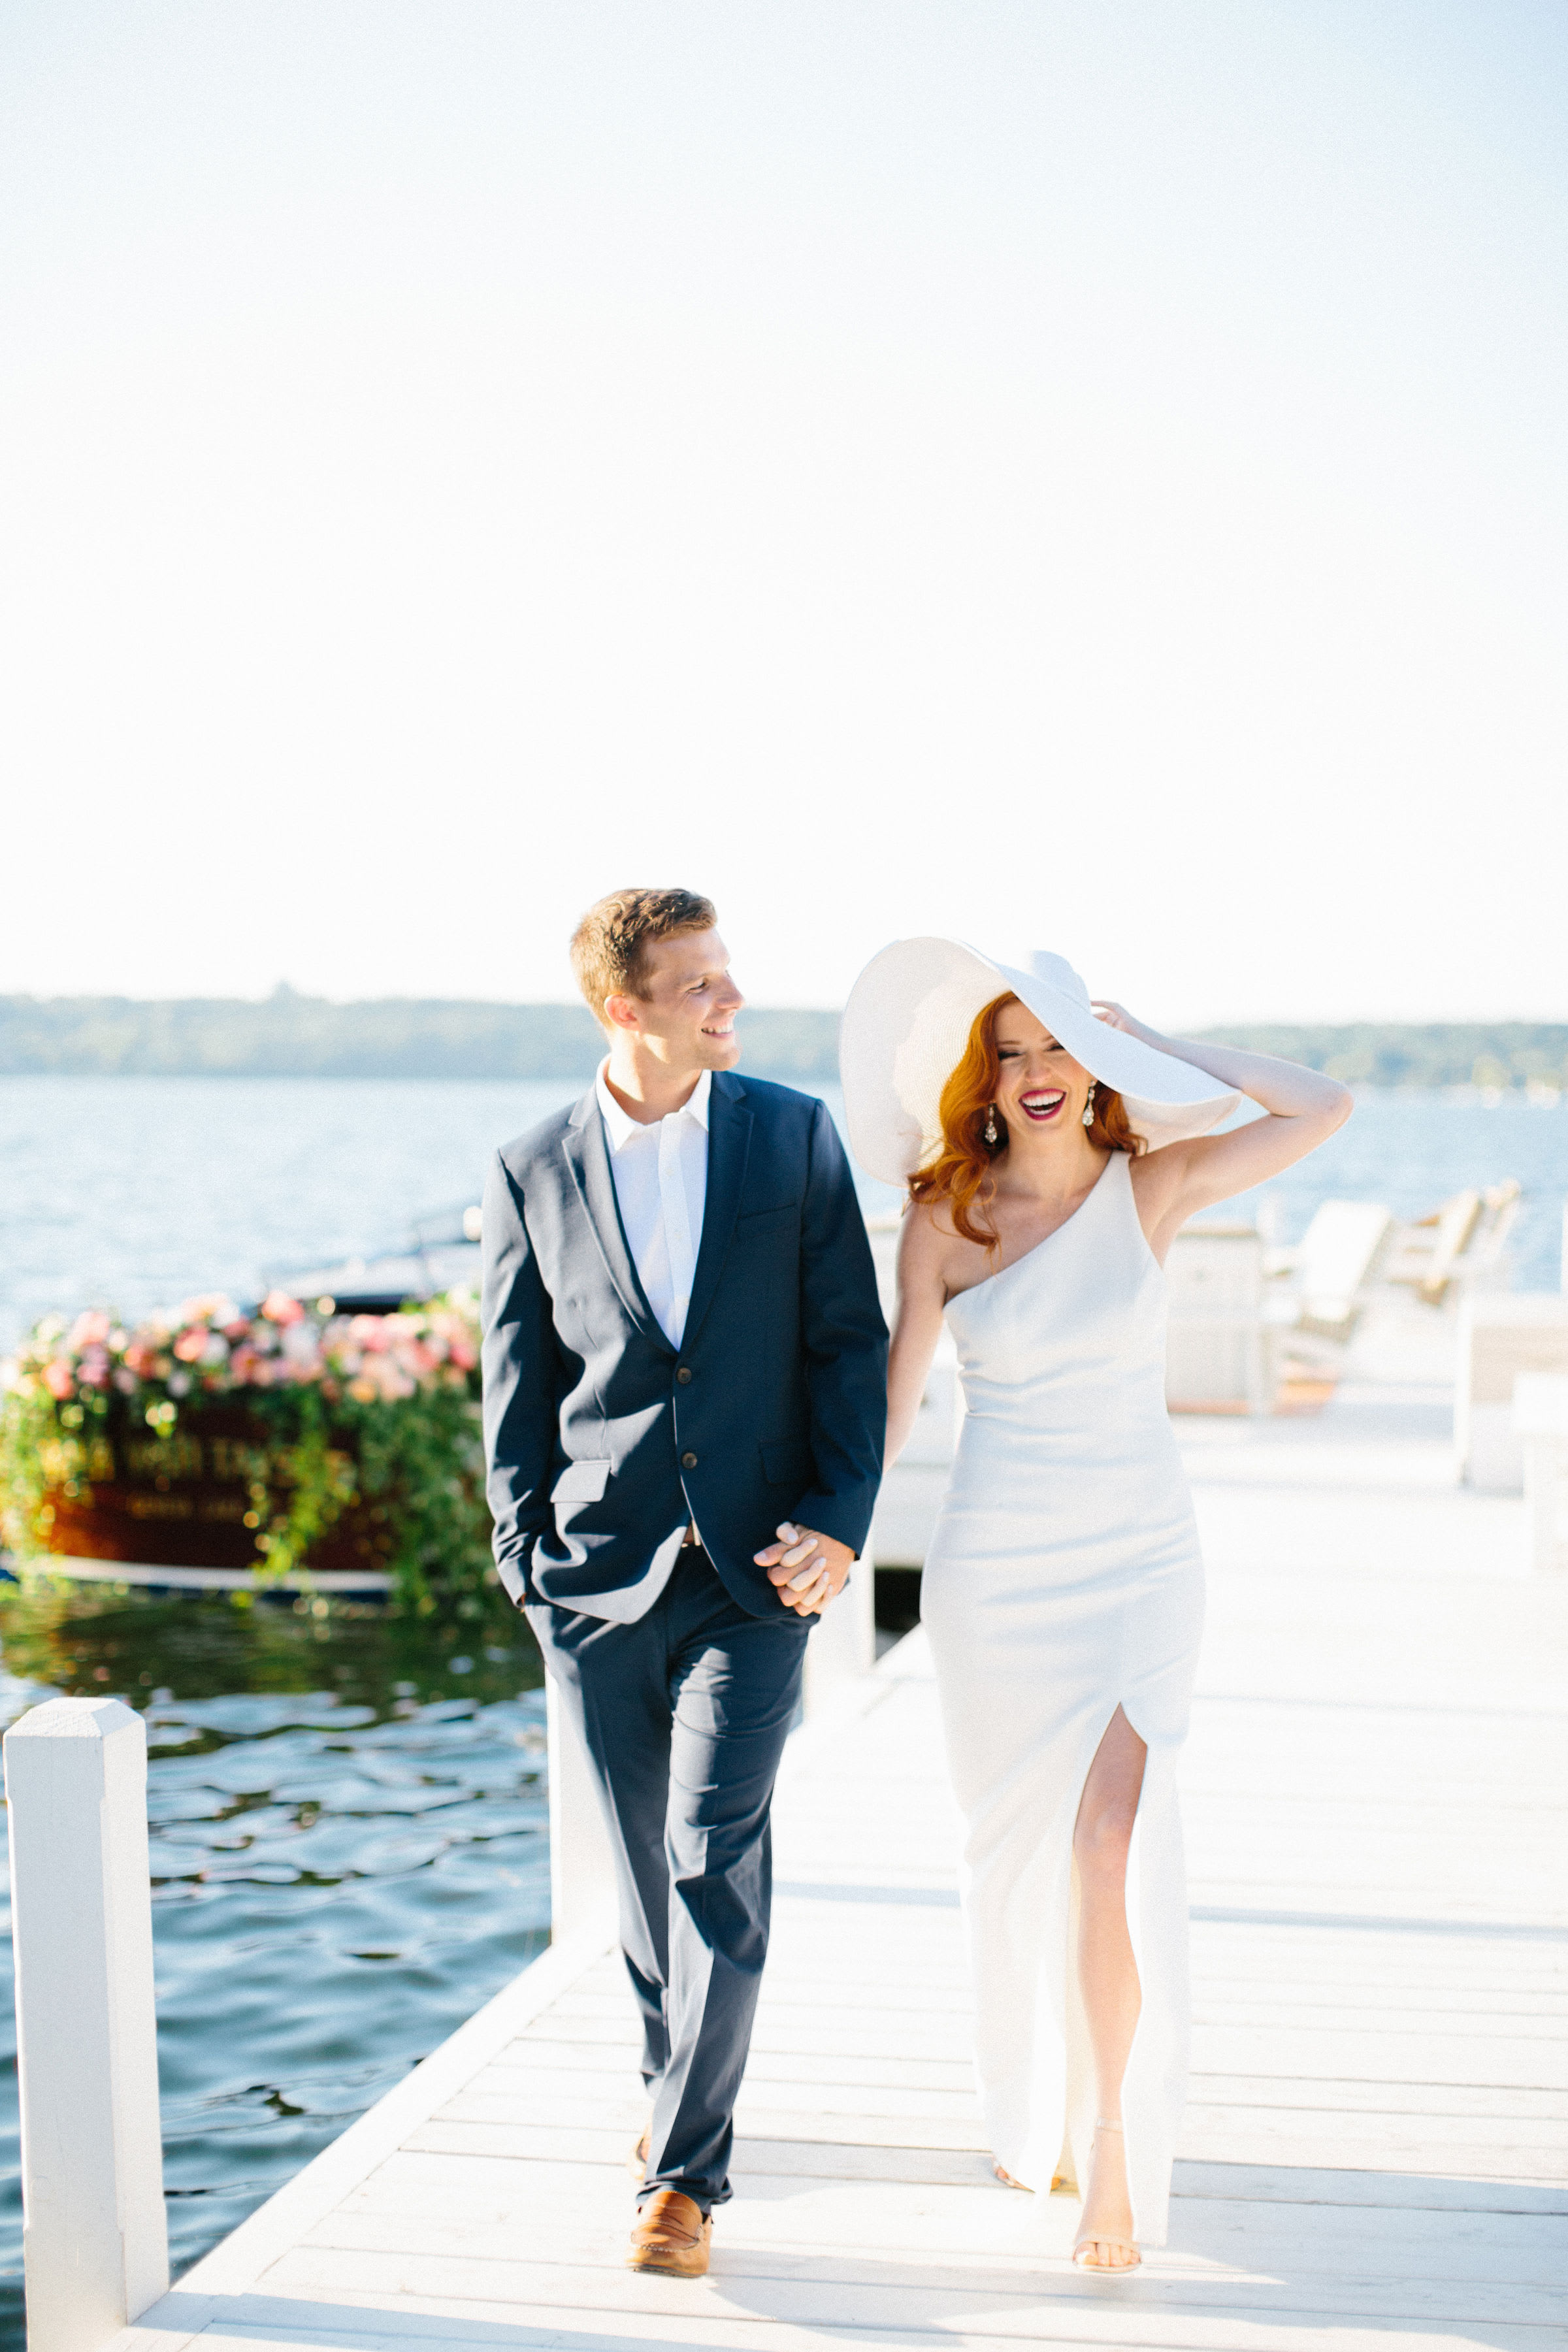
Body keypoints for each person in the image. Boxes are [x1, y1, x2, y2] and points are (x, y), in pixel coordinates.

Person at [838, 939, 1349, 2272]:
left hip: (1139, 1560)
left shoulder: (1153, 1188)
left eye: (1059, 1045)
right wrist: (832, 1534)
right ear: (985, 1079)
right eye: (1011, 1051)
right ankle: (1042, 2110)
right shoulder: (946, 1219)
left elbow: (1324, 1105)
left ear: (1094, 1064)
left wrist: (1160, 1046)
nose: (1036, 1071)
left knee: (1112, 1841)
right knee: (1018, 1858)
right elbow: (894, 1408)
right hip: (997, 1578)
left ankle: (1114, 2142)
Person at [480, 887, 887, 2279]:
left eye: (727, 974)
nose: (732, 1000)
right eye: (700, 983)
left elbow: (849, 1345)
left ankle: (682, 2180)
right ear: (626, 1008)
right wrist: (526, 1566)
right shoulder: (531, 1166)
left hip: (758, 1572)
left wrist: (840, 1522)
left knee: (715, 1851)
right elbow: (518, 1387)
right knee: (644, 1877)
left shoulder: (792, 1133)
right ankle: (675, 2094)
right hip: (593, 1580)